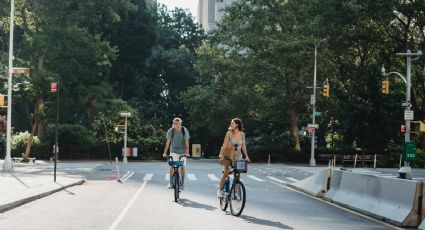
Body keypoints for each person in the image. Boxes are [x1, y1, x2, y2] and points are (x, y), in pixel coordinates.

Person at [217, 118, 250, 197]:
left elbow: (243, 146)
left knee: (237, 175)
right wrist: (221, 154)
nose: (231, 124)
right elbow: (224, 145)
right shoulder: (229, 133)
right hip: (229, 156)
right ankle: (220, 190)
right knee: (226, 174)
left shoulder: (242, 134)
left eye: (232, 123)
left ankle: (237, 192)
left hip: (238, 156)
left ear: (237, 124)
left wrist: (246, 156)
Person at [162, 118, 190, 189]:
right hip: (173, 150)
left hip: (182, 151)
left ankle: (182, 184)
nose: (177, 125)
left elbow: (186, 142)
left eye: (179, 124)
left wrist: (187, 152)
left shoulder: (184, 130)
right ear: (173, 124)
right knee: (172, 166)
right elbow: (168, 142)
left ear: (181, 124)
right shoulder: (170, 131)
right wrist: (164, 153)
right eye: (176, 124)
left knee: (182, 167)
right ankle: (171, 183)